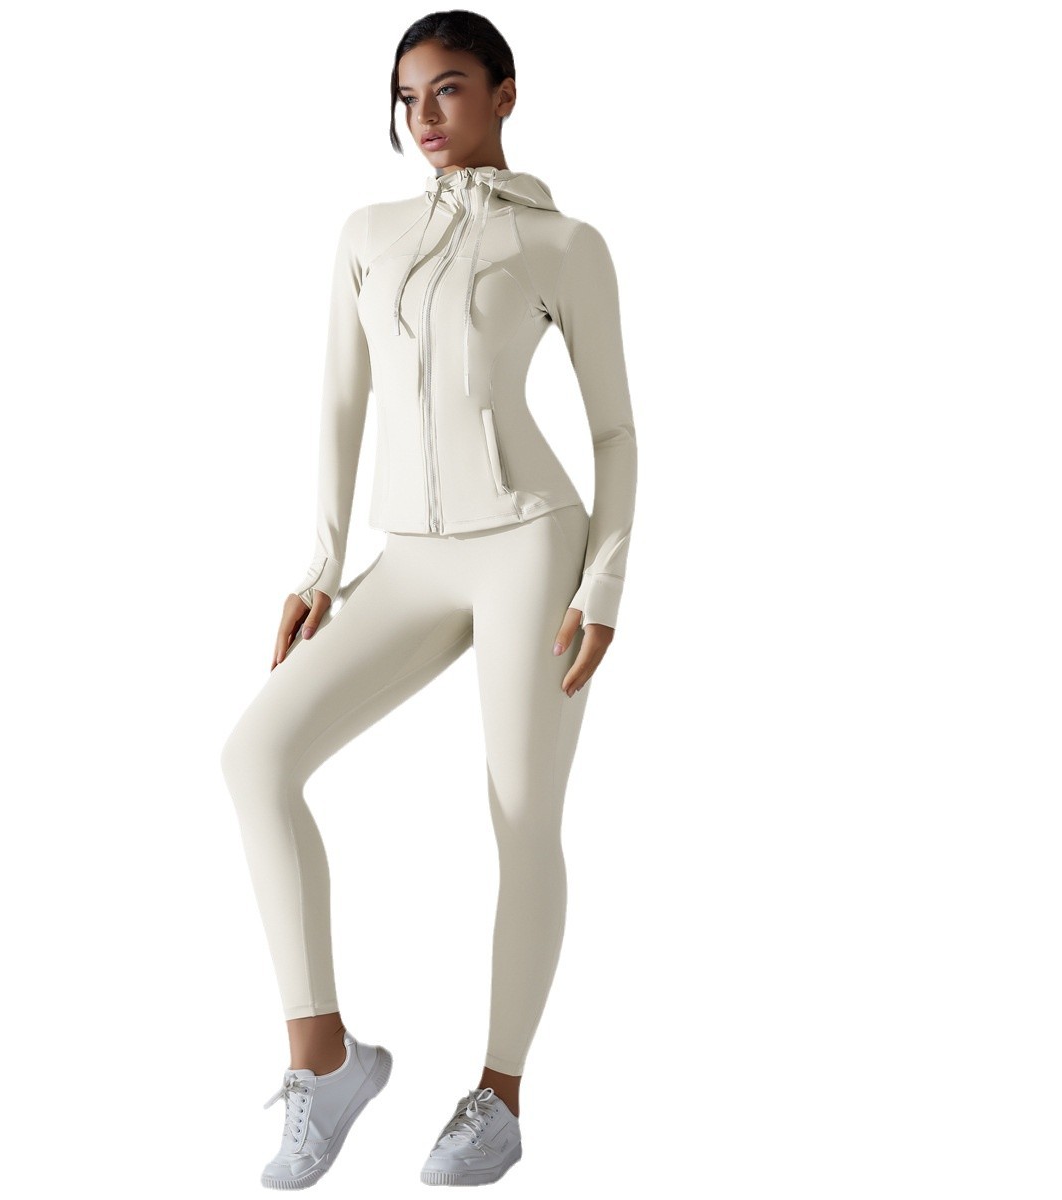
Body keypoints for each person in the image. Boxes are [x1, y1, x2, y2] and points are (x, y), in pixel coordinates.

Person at [220, 10, 637, 1189]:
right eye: (408, 97)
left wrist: (606, 576)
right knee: (256, 758)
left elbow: (615, 428)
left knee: (519, 814)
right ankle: (326, 1059)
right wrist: (318, 567)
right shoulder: (368, 234)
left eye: (449, 89)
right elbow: (339, 404)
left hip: (530, 545)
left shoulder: (564, 244)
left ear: (506, 93)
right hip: (407, 556)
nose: (425, 116)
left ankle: (498, 1098)